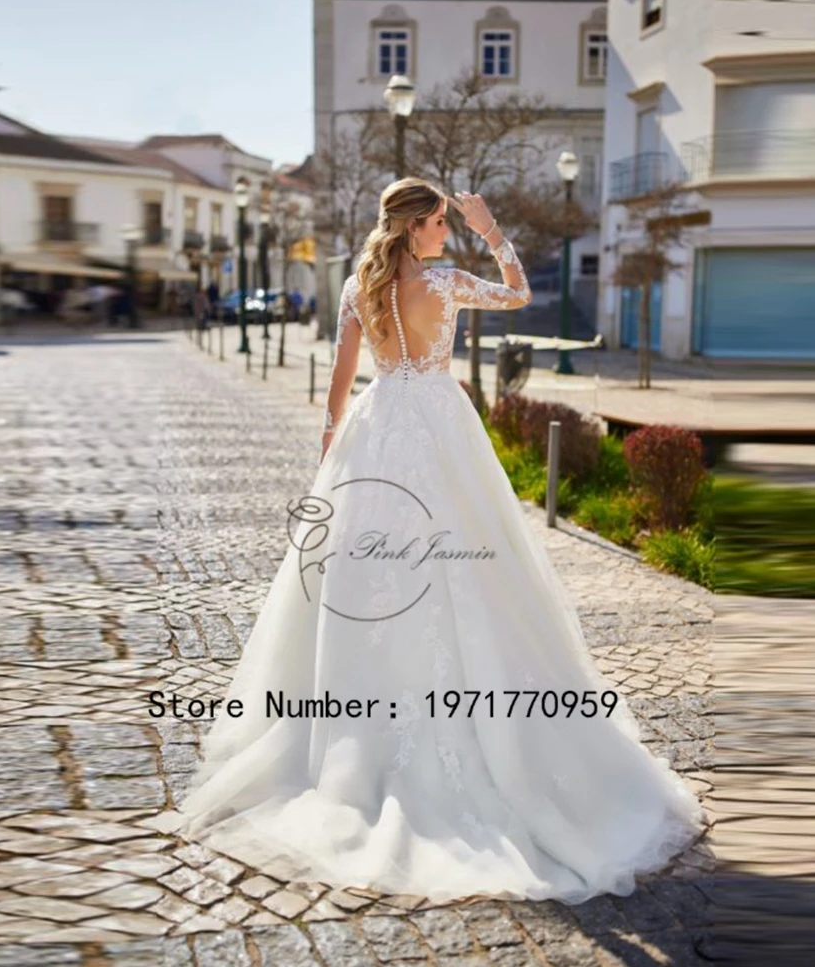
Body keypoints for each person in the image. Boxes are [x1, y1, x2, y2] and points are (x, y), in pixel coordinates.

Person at [158, 178, 706, 905]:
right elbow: (516, 295)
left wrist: (331, 440)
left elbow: (342, 372)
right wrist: (492, 228)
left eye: (453, 220)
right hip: (441, 426)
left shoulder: (363, 283)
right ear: (416, 226)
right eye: (442, 220)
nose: (448, 228)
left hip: (377, 424)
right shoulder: (446, 281)